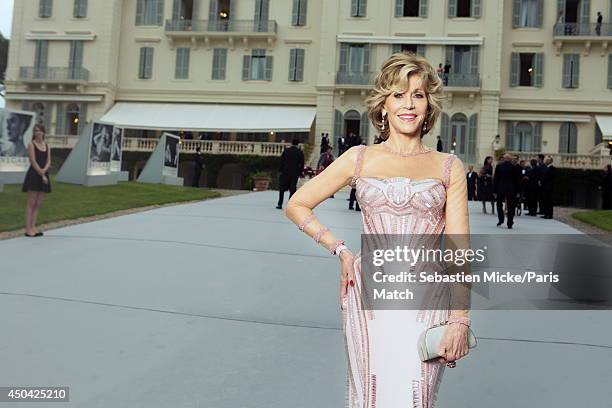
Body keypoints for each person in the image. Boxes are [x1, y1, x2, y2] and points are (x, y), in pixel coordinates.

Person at [285, 53, 472, 407]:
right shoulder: (359, 158)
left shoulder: (448, 166)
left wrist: (460, 319)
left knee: (415, 398)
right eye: (399, 95)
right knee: (370, 396)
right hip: (368, 301)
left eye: (418, 95)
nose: (409, 104)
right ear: (383, 105)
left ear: (428, 106)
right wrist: (339, 249)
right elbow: (296, 203)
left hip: (428, 303)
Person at [21, 123, 51, 237]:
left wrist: (44, 172)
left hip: (44, 174)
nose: (38, 133)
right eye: (36, 131)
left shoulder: (47, 146)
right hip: (34, 175)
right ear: (34, 133)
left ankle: (34, 227)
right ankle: (28, 229)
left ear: (43, 132)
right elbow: (33, 161)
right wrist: (41, 173)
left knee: (38, 204)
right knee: (31, 203)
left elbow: (49, 161)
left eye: (40, 131)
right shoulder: (31, 145)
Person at [493, 153, 521, 229]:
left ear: (504, 159)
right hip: (511, 189)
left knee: (499, 204)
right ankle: (510, 222)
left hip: (500, 189)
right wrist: (518, 191)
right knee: (511, 206)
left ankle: (501, 219)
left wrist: (494, 191)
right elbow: (517, 181)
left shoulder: (499, 167)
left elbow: (496, 179)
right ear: (510, 159)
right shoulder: (514, 167)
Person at [276, 138, 304, 209]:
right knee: (292, 189)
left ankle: (280, 203)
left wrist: (281, 170)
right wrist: (300, 173)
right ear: (298, 144)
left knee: (282, 188)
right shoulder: (299, 152)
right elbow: (301, 164)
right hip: (294, 173)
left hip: (285, 172)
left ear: (291, 143)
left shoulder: (286, 151)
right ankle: (289, 204)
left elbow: (281, 161)